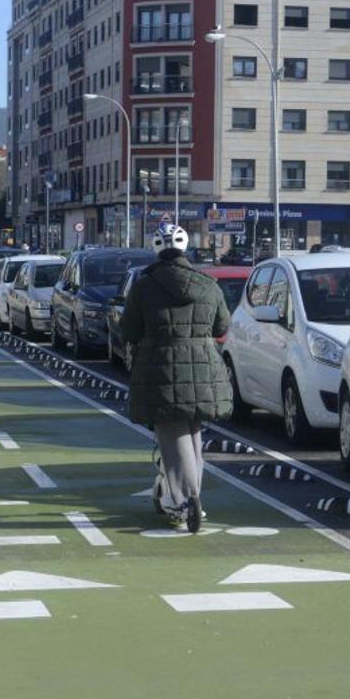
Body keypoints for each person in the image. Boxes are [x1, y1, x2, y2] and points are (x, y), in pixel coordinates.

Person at [121, 223, 232, 532]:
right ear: (185, 250)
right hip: (204, 368)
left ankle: (185, 501)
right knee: (194, 432)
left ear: (157, 250)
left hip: (160, 368)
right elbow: (222, 327)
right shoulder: (208, 283)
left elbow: (129, 330)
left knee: (171, 436)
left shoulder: (144, 286)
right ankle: (193, 498)